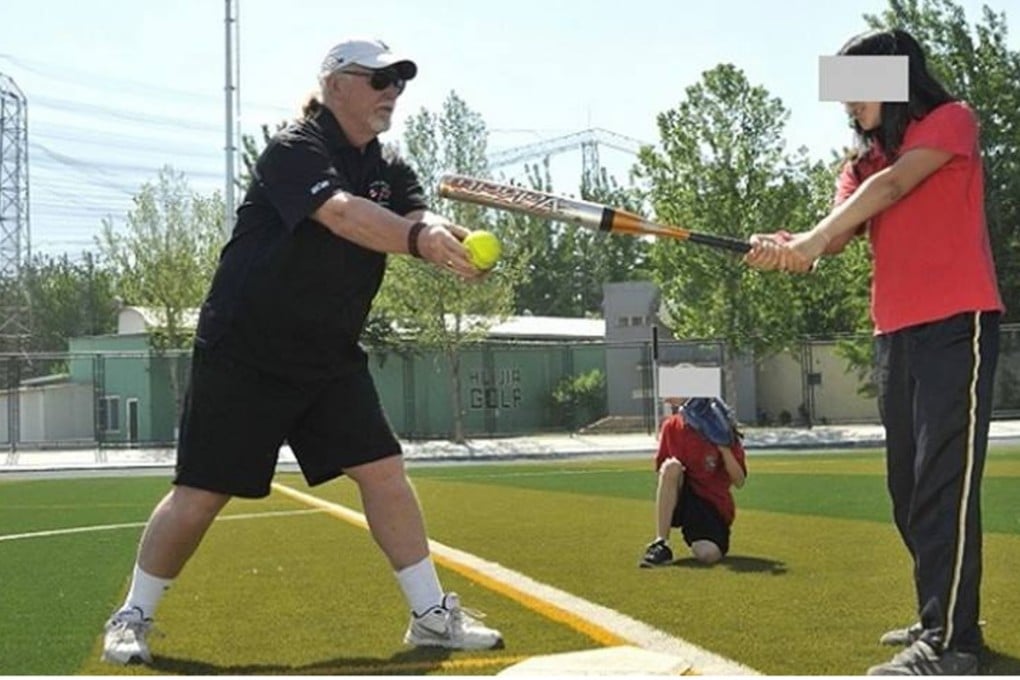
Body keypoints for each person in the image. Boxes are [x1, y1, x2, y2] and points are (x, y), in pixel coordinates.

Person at [100, 38, 504, 665]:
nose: (392, 91)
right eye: (378, 80)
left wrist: (446, 241)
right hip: (246, 348)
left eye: (399, 80)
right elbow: (343, 216)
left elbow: (413, 214)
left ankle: (431, 617)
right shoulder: (295, 149)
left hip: (327, 355)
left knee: (384, 474)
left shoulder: (389, 164)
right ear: (336, 84)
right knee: (201, 494)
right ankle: (132, 615)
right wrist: (420, 237)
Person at [746, 28, 1002, 676]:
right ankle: (934, 610)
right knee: (907, 487)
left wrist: (809, 239)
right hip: (895, 334)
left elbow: (887, 194)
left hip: (956, 327)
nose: (847, 106)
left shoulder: (951, 122)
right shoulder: (857, 167)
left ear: (892, 80)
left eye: (855, 89)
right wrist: (786, 247)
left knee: (943, 483)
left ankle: (952, 642)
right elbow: (832, 238)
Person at [639, 397, 746, 568]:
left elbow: (739, 481)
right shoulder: (671, 426)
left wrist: (723, 447)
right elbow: (662, 471)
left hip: (712, 504)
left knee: (707, 554)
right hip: (684, 495)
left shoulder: (721, 427)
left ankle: (707, 537)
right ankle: (661, 543)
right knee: (671, 467)